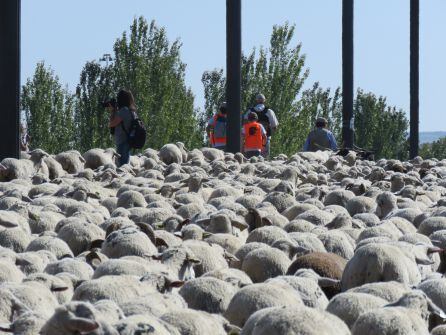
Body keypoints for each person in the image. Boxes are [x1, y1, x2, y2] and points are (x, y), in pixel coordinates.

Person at [244, 93, 278, 158]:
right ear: (264, 100)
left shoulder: (250, 111)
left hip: (251, 141)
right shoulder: (269, 111)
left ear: (256, 100)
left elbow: (245, 121)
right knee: (264, 159)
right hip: (265, 138)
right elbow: (274, 126)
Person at [108, 89, 137, 166]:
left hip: (122, 142)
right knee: (124, 164)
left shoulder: (124, 111)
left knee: (122, 167)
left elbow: (111, 124)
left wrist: (112, 111)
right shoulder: (131, 111)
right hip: (127, 141)